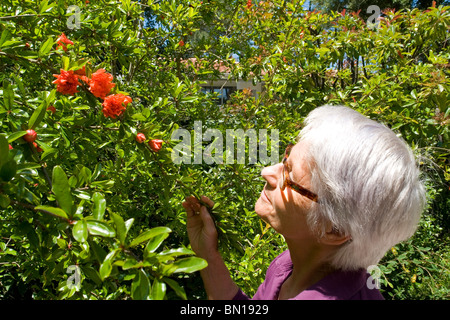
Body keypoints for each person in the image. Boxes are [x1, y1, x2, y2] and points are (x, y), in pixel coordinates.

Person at [182, 105, 426, 300]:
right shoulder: (290, 266)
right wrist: (208, 254)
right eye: (287, 156)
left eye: (289, 174)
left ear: (334, 229)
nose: (266, 171)